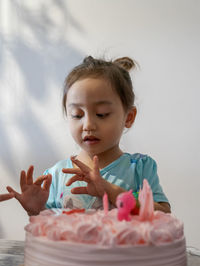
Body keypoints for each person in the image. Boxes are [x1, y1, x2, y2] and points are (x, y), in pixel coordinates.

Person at [6, 56, 171, 215]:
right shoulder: (56, 175)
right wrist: (36, 210)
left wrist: (111, 190)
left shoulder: (140, 168)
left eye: (102, 114)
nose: (88, 125)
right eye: (77, 115)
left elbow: (163, 215)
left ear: (128, 117)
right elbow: (49, 229)